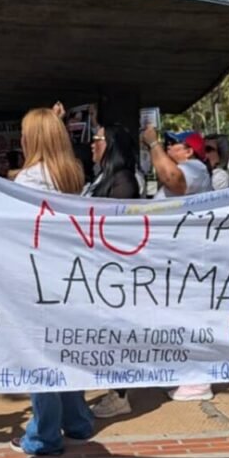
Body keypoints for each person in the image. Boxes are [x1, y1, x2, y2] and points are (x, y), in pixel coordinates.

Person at [10, 108, 95, 453]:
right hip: (72, 275)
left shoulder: (26, 180)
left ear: (30, 140)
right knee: (68, 349)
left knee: (41, 356)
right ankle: (78, 421)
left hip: (38, 275)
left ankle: (43, 435)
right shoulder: (73, 175)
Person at [141, 125, 214, 401]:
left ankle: (199, 381)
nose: (168, 147)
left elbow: (172, 179)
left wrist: (153, 144)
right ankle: (184, 373)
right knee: (177, 318)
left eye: (174, 143)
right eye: (167, 143)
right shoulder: (191, 167)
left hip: (187, 259)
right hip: (176, 258)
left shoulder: (194, 168)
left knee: (190, 317)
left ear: (189, 151)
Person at [84, 125, 141, 419]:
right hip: (98, 267)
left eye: (98, 139)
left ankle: (119, 395)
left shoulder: (124, 180)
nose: (92, 144)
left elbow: (118, 226)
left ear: (113, 145)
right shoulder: (102, 177)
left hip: (114, 271)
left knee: (115, 335)